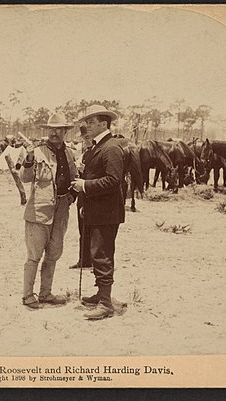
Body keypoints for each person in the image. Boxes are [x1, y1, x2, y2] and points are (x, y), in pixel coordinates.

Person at [71, 104, 126, 320]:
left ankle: (105, 304)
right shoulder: (96, 147)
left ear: (104, 124)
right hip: (98, 210)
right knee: (97, 254)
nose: (87, 126)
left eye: (91, 122)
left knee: (102, 255)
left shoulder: (111, 148)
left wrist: (85, 185)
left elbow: (113, 181)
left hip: (107, 213)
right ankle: (100, 294)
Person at [19, 113, 78, 309]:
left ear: (64, 132)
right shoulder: (36, 152)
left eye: (59, 130)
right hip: (39, 211)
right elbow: (25, 178)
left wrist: (72, 196)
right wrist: (28, 159)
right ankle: (28, 295)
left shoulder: (69, 153)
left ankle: (45, 293)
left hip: (61, 210)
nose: (54, 133)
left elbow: (74, 177)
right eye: (51, 129)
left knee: (54, 253)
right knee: (34, 255)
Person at [69, 122, 94, 269]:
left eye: (88, 137)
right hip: (83, 196)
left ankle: (94, 262)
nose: (86, 141)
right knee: (83, 229)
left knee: (94, 231)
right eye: (85, 138)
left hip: (92, 196)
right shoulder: (85, 154)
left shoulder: (99, 152)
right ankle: (84, 260)